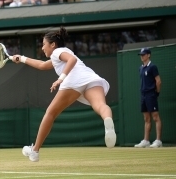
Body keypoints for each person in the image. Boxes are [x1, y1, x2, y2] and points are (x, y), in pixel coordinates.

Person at [14, 27, 116, 162]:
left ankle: (35, 150)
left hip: (73, 80)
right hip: (90, 77)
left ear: (53, 44)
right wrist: (21, 58)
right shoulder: (59, 55)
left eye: (44, 44)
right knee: (101, 105)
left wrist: (60, 79)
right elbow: (42, 65)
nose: (43, 47)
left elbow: (72, 60)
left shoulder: (57, 52)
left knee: (50, 113)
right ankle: (108, 122)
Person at [134, 48, 162, 148]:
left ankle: (158, 141)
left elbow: (158, 81)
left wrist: (156, 93)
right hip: (143, 95)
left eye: (144, 54)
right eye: (141, 55)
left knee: (155, 117)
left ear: (148, 55)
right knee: (146, 118)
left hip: (151, 94)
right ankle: (146, 140)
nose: (142, 56)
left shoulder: (153, 67)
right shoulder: (140, 68)